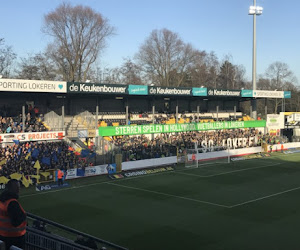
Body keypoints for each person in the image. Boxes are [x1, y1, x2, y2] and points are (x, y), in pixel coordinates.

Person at [0, 179, 27, 249]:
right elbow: (16, 222)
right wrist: (23, 216)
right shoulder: (12, 203)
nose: (19, 189)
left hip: (3, 235)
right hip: (15, 237)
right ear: (13, 189)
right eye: (17, 187)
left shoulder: (2, 200)